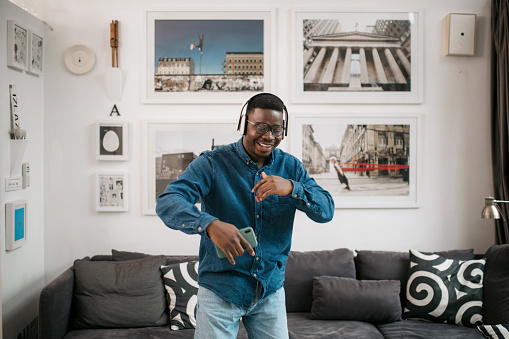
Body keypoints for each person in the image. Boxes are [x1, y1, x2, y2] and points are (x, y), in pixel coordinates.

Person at [156, 93, 334, 339]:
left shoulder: (291, 167)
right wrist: (208, 224)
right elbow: (168, 201)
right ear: (244, 123)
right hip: (220, 290)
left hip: (270, 291)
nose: (269, 136)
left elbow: (327, 210)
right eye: (260, 126)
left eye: (276, 129)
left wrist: (293, 188)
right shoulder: (212, 163)